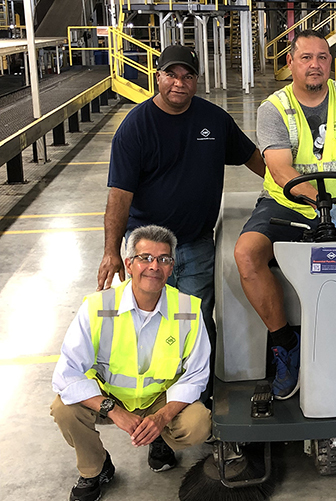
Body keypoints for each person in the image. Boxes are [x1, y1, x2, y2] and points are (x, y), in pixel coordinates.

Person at [233, 30, 336, 399]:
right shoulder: (273, 109)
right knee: (246, 255)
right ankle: (285, 346)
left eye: (323, 57)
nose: (315, 65)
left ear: (330, 62)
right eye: (306, 57)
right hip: (288, 203)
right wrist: (317, 202)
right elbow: (279, 169)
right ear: (291, 63)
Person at [97, 45, 266, 393]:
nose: (179, 83)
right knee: (151, 323)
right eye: (171, 75)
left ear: (196, 81)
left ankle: (202, 398)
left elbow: (253, 157)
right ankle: (157, 408)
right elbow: (119, 198)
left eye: (187, 76)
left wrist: (290, 190)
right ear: (157, 76)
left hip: (196, 244)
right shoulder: (136, 127)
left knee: (197, 322)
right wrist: (112, 251)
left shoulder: (213, 120)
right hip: (148, 251)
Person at [52, 225, 211, 501]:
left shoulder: (187, 309)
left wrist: (161, 417)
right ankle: (95, 468)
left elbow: (196, 375)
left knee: (198, 423)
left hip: (159, 398)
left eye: (163, 259)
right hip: (109, 396)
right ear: (129, 264)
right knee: (64, 408)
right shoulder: (99, 306)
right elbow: (67, 375)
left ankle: (159, 437)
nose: (154, 266)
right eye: (145, 258)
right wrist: (113, 410)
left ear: (171, 268)